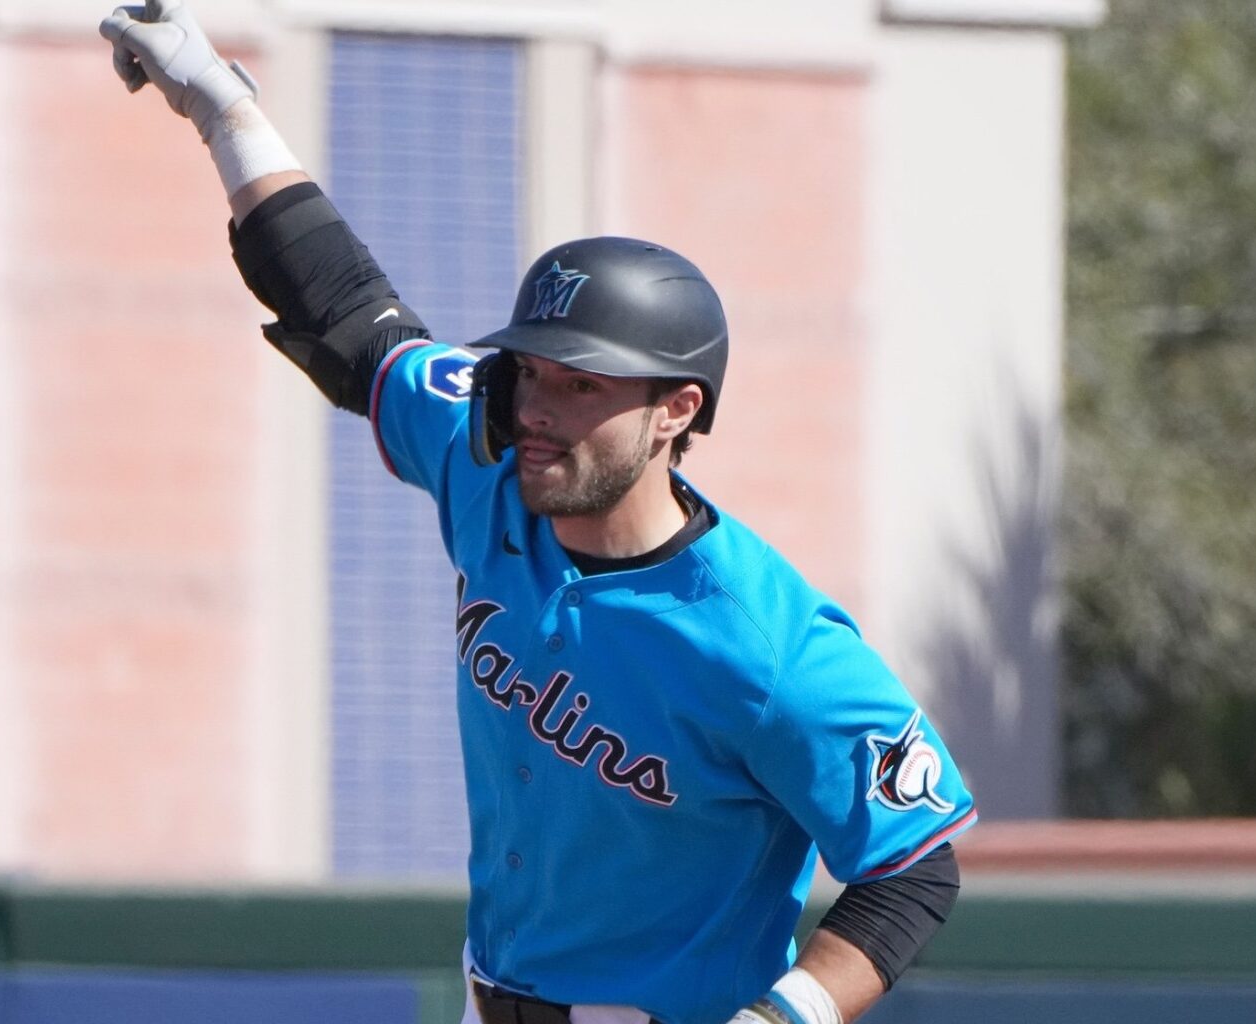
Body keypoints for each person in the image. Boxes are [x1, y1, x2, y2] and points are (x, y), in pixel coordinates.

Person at [99, 4, 978, 1022]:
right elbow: (343, 313)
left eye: (582, 386)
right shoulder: (495, 453)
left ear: (676, 411)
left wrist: (784, 1017)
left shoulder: (773, 646)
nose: (537, 411)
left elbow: (914, 866)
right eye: (529, 372)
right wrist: (220, 106)